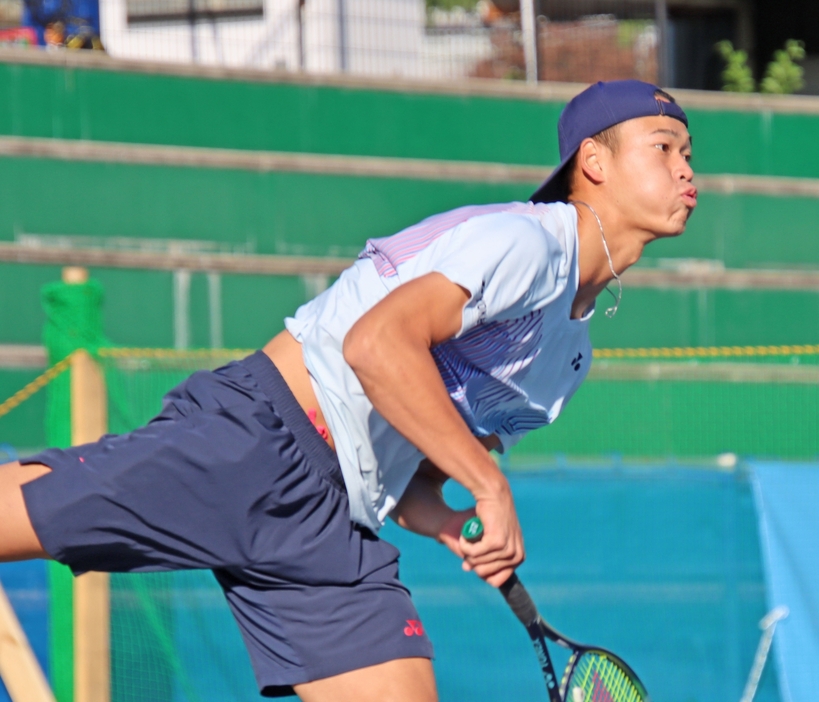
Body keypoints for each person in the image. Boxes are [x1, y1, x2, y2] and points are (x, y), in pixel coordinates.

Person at [0, 79, 695, 701]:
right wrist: (489, 488)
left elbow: (418, 472)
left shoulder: (566, 361)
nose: (685, 168)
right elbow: (376, 346)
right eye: (664, 147)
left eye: (688, 154)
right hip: (257, 443)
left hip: (334, 530)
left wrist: (449, 520)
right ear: (593, 163)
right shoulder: (525, 243)